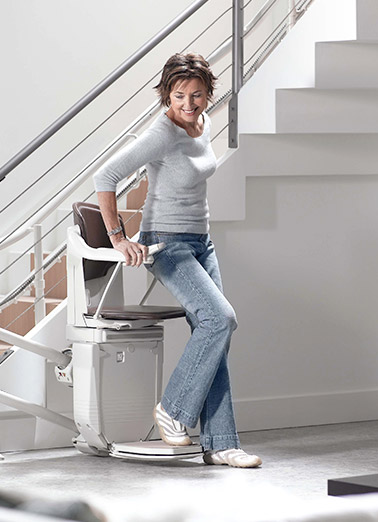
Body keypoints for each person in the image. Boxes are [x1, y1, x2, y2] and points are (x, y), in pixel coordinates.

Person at [92, 52, 261, 468]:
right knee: (220, 319)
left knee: (216, 337)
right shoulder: (161, 133)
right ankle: (174, 409)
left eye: (197, 95)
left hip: (202, 242)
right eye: (179, 95)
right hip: (167, 244)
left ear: (208, 95)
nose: (188, 104)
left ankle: (221, 443)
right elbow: (104, 177)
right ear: (166, 94)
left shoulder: (202, 124)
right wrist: (119, 237)